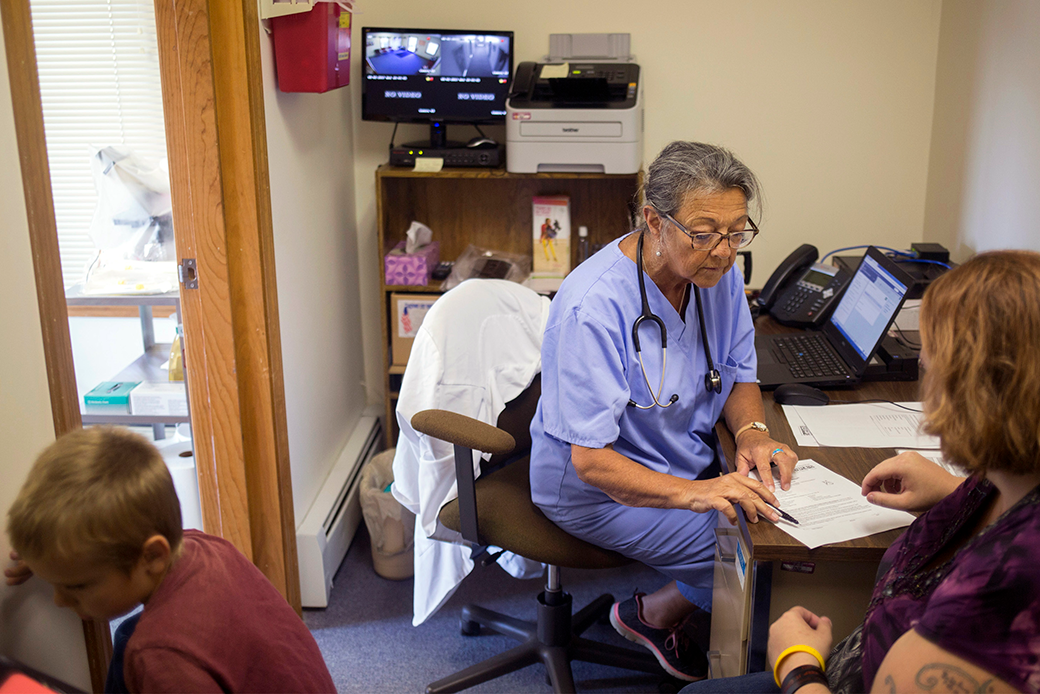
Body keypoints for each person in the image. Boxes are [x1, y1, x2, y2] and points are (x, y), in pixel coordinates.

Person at [681, 249, 1040, 694]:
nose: (923, 364)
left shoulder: (1004, 588)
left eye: (935, 355)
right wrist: (953, 491)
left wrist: (798, 665)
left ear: (986, 390)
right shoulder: (1006, 483)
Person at [529, 141, 799, 681]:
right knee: (749, 552)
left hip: (676, 464)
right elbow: (592, 463)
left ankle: (651, 614)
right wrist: (698, 493)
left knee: (762, 517)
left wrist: (751, 432)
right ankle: (663, 618)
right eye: (704, 233)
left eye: (737, 231)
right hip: (592, 489)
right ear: (654, 220)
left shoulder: (715, 279)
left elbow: (739, 370)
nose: (723, 251)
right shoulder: (593, 307)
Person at [4, 426, 335, 693]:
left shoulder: (160, 657)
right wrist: (56, 557)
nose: (60, 600)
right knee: (129, 636)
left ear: (152, 556)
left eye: (76, 586)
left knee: (136, 647)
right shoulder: (203, 547)